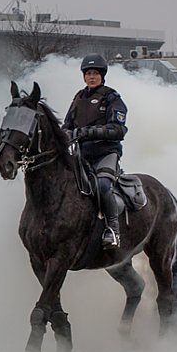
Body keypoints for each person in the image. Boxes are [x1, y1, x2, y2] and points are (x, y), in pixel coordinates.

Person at [62, 54, 128, 249]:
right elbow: (67, 125)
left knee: (102, 186)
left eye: (96, 74)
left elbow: (118, 129)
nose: (92, 77)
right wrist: (64, 135)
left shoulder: (112, 98)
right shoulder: (78, 98)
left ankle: (112, 231)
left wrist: (87, 132)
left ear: (102, 76)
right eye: (88, 73)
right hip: (81, 155)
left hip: (105, 154)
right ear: (84, 76)